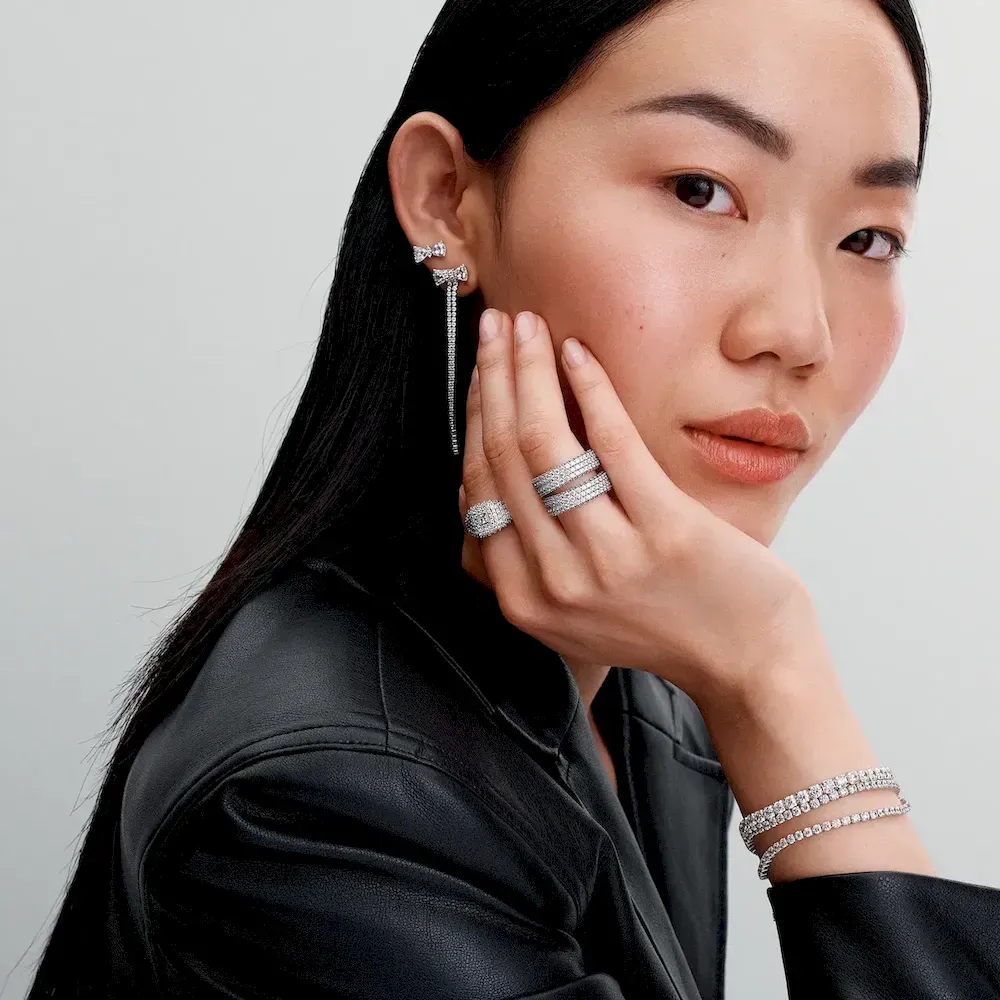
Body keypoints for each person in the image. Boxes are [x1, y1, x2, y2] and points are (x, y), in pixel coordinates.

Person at [27, 0, 1000, 997]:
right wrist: (777, 681)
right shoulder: (334, 799)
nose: (798, 333)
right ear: (449, 200)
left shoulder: (645, 670)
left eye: (869, 238)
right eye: (699, 189)